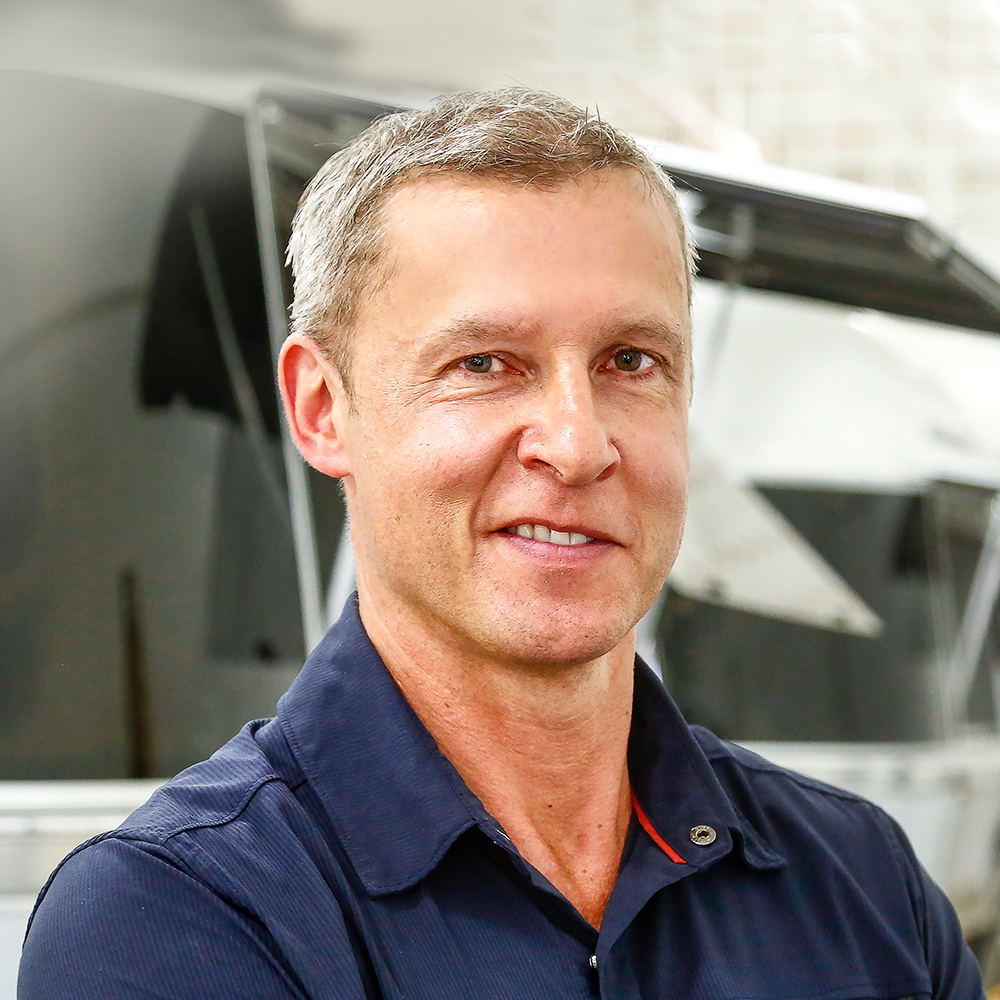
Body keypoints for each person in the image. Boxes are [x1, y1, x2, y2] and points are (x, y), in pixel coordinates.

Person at [19, 88, 983, 999]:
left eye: (631, 360)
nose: (578, 444)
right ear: (321, 409)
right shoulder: (176, 919)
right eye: (484, 363)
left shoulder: (865, 886)